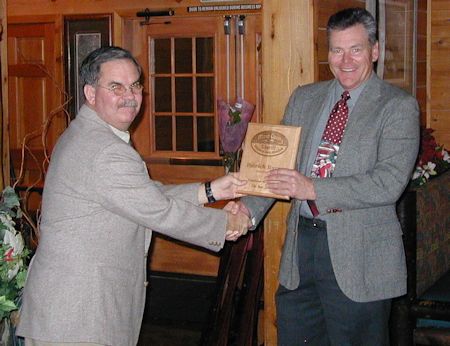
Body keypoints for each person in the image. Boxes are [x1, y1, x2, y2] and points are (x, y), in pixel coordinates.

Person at [17, 46, 250, 346]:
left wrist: (210, 190)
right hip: (79, 318)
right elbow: (159, 211)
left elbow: (141, 197)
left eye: (135, 85)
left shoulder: (88, 133)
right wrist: (228, 223)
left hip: (72, 312)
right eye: (116, 87)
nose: (130, 96)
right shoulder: (105, 150)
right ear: (90, 93)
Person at [232, 7, 420, 345]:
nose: (345, 60)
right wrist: (247, 209)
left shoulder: (397, 106)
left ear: (374, 51)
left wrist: (311, 187)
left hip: (359, 255)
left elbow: (388, 182)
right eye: (337, 49)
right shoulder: (305, 98)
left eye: (356, 49)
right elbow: (277, 167)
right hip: (300, 250)